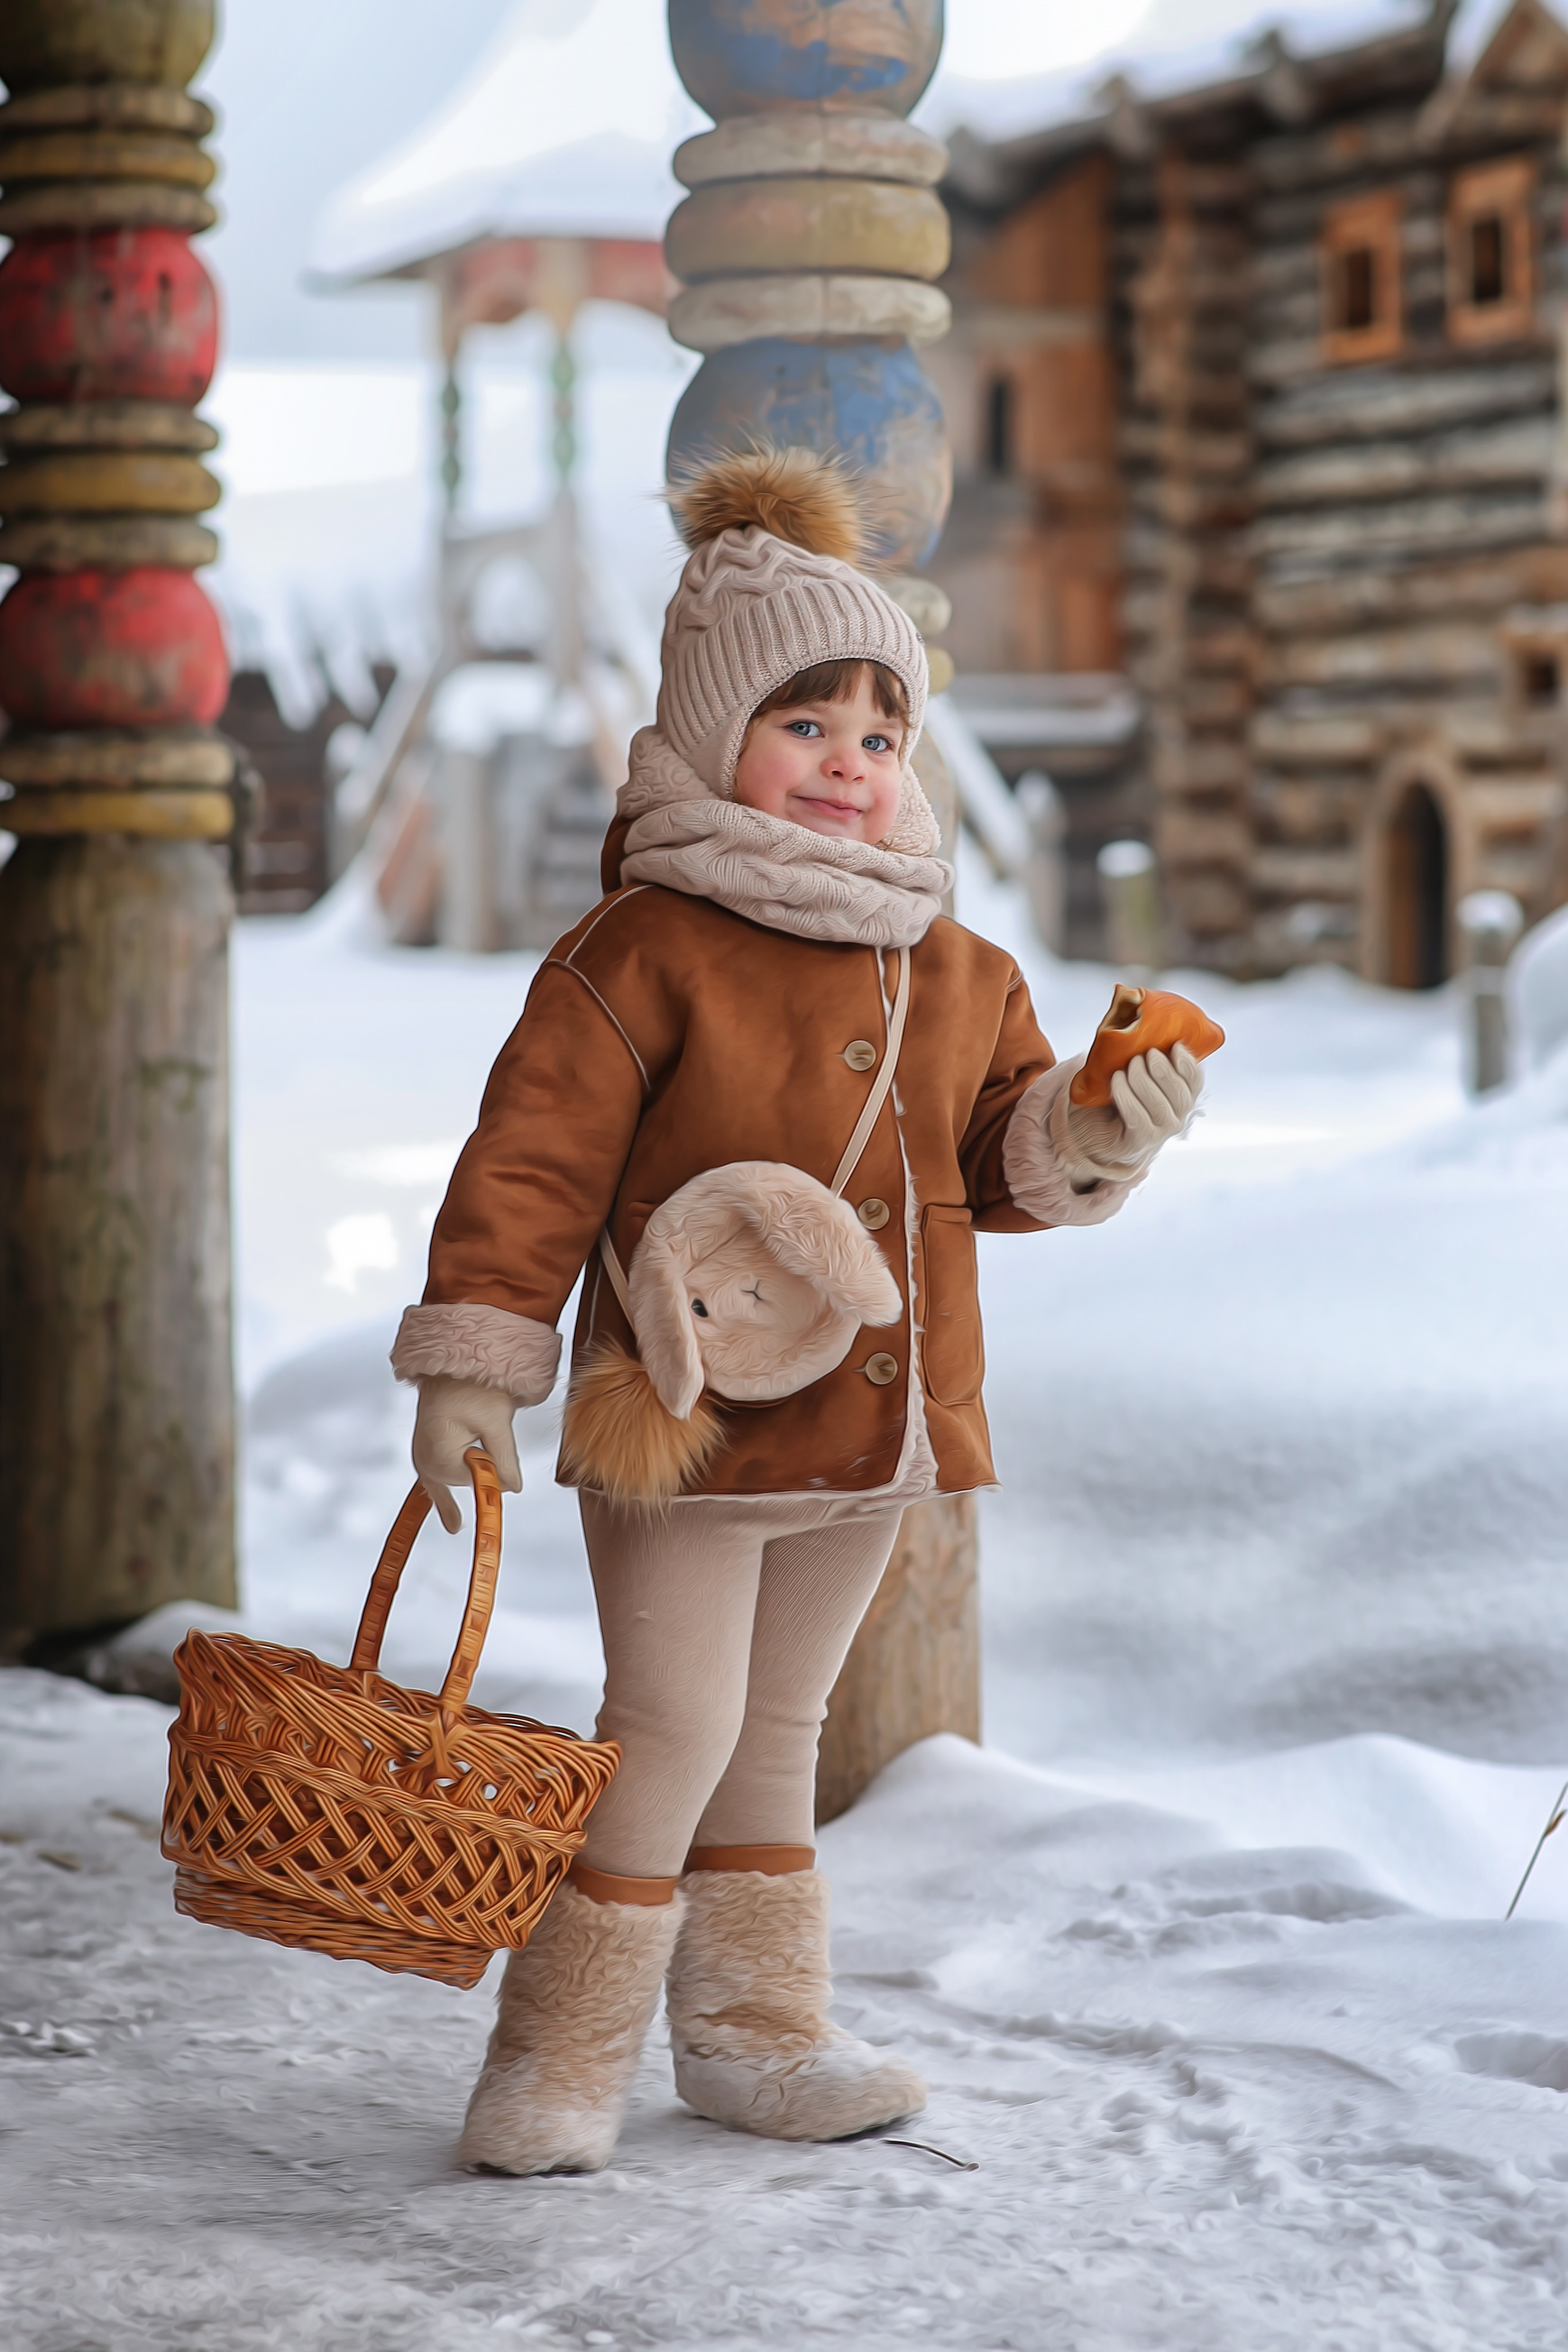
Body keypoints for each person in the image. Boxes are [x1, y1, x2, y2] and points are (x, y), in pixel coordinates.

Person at [391, 448, 1204, 2176]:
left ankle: (756, 2034)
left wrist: (1092, 1131)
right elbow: (532, 1159)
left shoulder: (959, 966)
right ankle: (559, 2051)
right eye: (804, 724)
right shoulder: (644, 948)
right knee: (669, 1726)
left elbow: (995, 1157)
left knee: (776, 1732)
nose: (849, 766)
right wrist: (477, 1358)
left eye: (879, 733)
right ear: (710, 734)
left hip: (872, 1420)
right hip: (682, 1411)